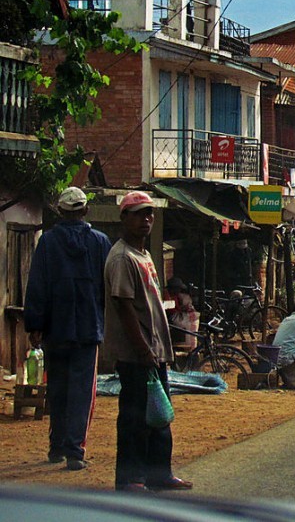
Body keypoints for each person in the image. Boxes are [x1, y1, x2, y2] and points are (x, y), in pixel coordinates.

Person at [104, 191, 192, 493]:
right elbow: (124, 306)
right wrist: (141, 348)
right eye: (139, 214)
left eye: (149, 214)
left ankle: (159, 474)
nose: (145, 220)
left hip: (154, 352)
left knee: (159, 415)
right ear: (124, 218)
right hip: (135, 355)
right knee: (134, 419)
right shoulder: (121, 257)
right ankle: (130, 479)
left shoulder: (143, 255)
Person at [23, 187, 112, 471]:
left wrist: (35, 325)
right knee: (82, 391)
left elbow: (37, 285)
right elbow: (109, 288)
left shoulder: (48, 243)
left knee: (58, 388)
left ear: (60, 212)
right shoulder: (101, 243)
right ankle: (75, 450)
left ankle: (56, 446)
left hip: (55, 329)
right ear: (85, 210)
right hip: (88, 329)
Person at [164, 277, 199, 349]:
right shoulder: (167, 295)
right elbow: (171, 310)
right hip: (171, 318)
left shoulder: (176, 296)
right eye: (178, 288)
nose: (179, 290)